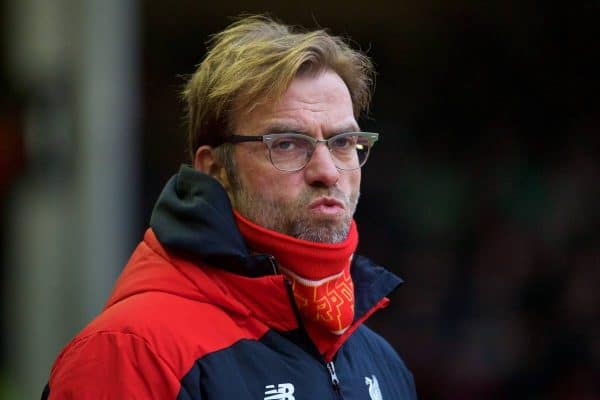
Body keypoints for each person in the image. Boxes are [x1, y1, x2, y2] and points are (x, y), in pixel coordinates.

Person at [42, 14, 417, 399]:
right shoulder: (131, 352)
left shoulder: (382, 361)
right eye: (287, 144)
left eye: (342, 143)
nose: (327, 172)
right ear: (216, 169)